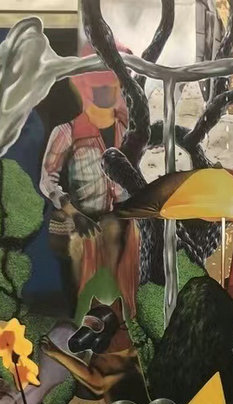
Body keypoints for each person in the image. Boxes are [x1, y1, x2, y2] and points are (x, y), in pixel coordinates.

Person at [39, 42, 138, 315]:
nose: (107, 91)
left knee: (116, 231)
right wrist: (73, 213)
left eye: (112, 85)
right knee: (79, 245)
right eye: (99, 86)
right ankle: (85, 311)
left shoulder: (129, 130)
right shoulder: (67, 132)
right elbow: (47, 180)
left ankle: (120, 310)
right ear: (84, 86)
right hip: (83, 215)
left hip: (123, 216)